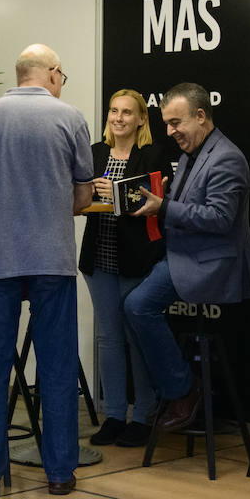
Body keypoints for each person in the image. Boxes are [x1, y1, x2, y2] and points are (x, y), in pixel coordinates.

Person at [0, 45, 94, 498]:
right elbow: (85, 196)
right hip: (52, 259)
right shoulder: (71, 119)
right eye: (62, 73)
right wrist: (51, 214)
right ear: (51, 72)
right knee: (56, 363)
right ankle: (60, 473)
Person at [125, 82, 250, 433]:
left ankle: (184, 390)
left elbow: (220, 219)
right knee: (131, 302)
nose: (170, 132)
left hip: (210, 263)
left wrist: (164, 205)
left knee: (138, 305)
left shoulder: (227, 157)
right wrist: (164, 197)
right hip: (182, 252)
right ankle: (174, 389)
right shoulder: (191, 154)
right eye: (167, 123)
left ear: (201, 116)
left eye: (176, 123)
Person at [78, 89, 172, 449]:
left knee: (136, 338)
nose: (118, 118)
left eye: (127, 113)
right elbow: (78, 197)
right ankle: (115, 414)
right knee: (108, 338)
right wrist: (89, 191)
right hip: (98, 259)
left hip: (136, 258)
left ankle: (143, 415)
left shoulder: (152, 154)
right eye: (114, 111)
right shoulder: (94, 152)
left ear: (140, 120)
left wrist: (112, 191)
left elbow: (146, 201)